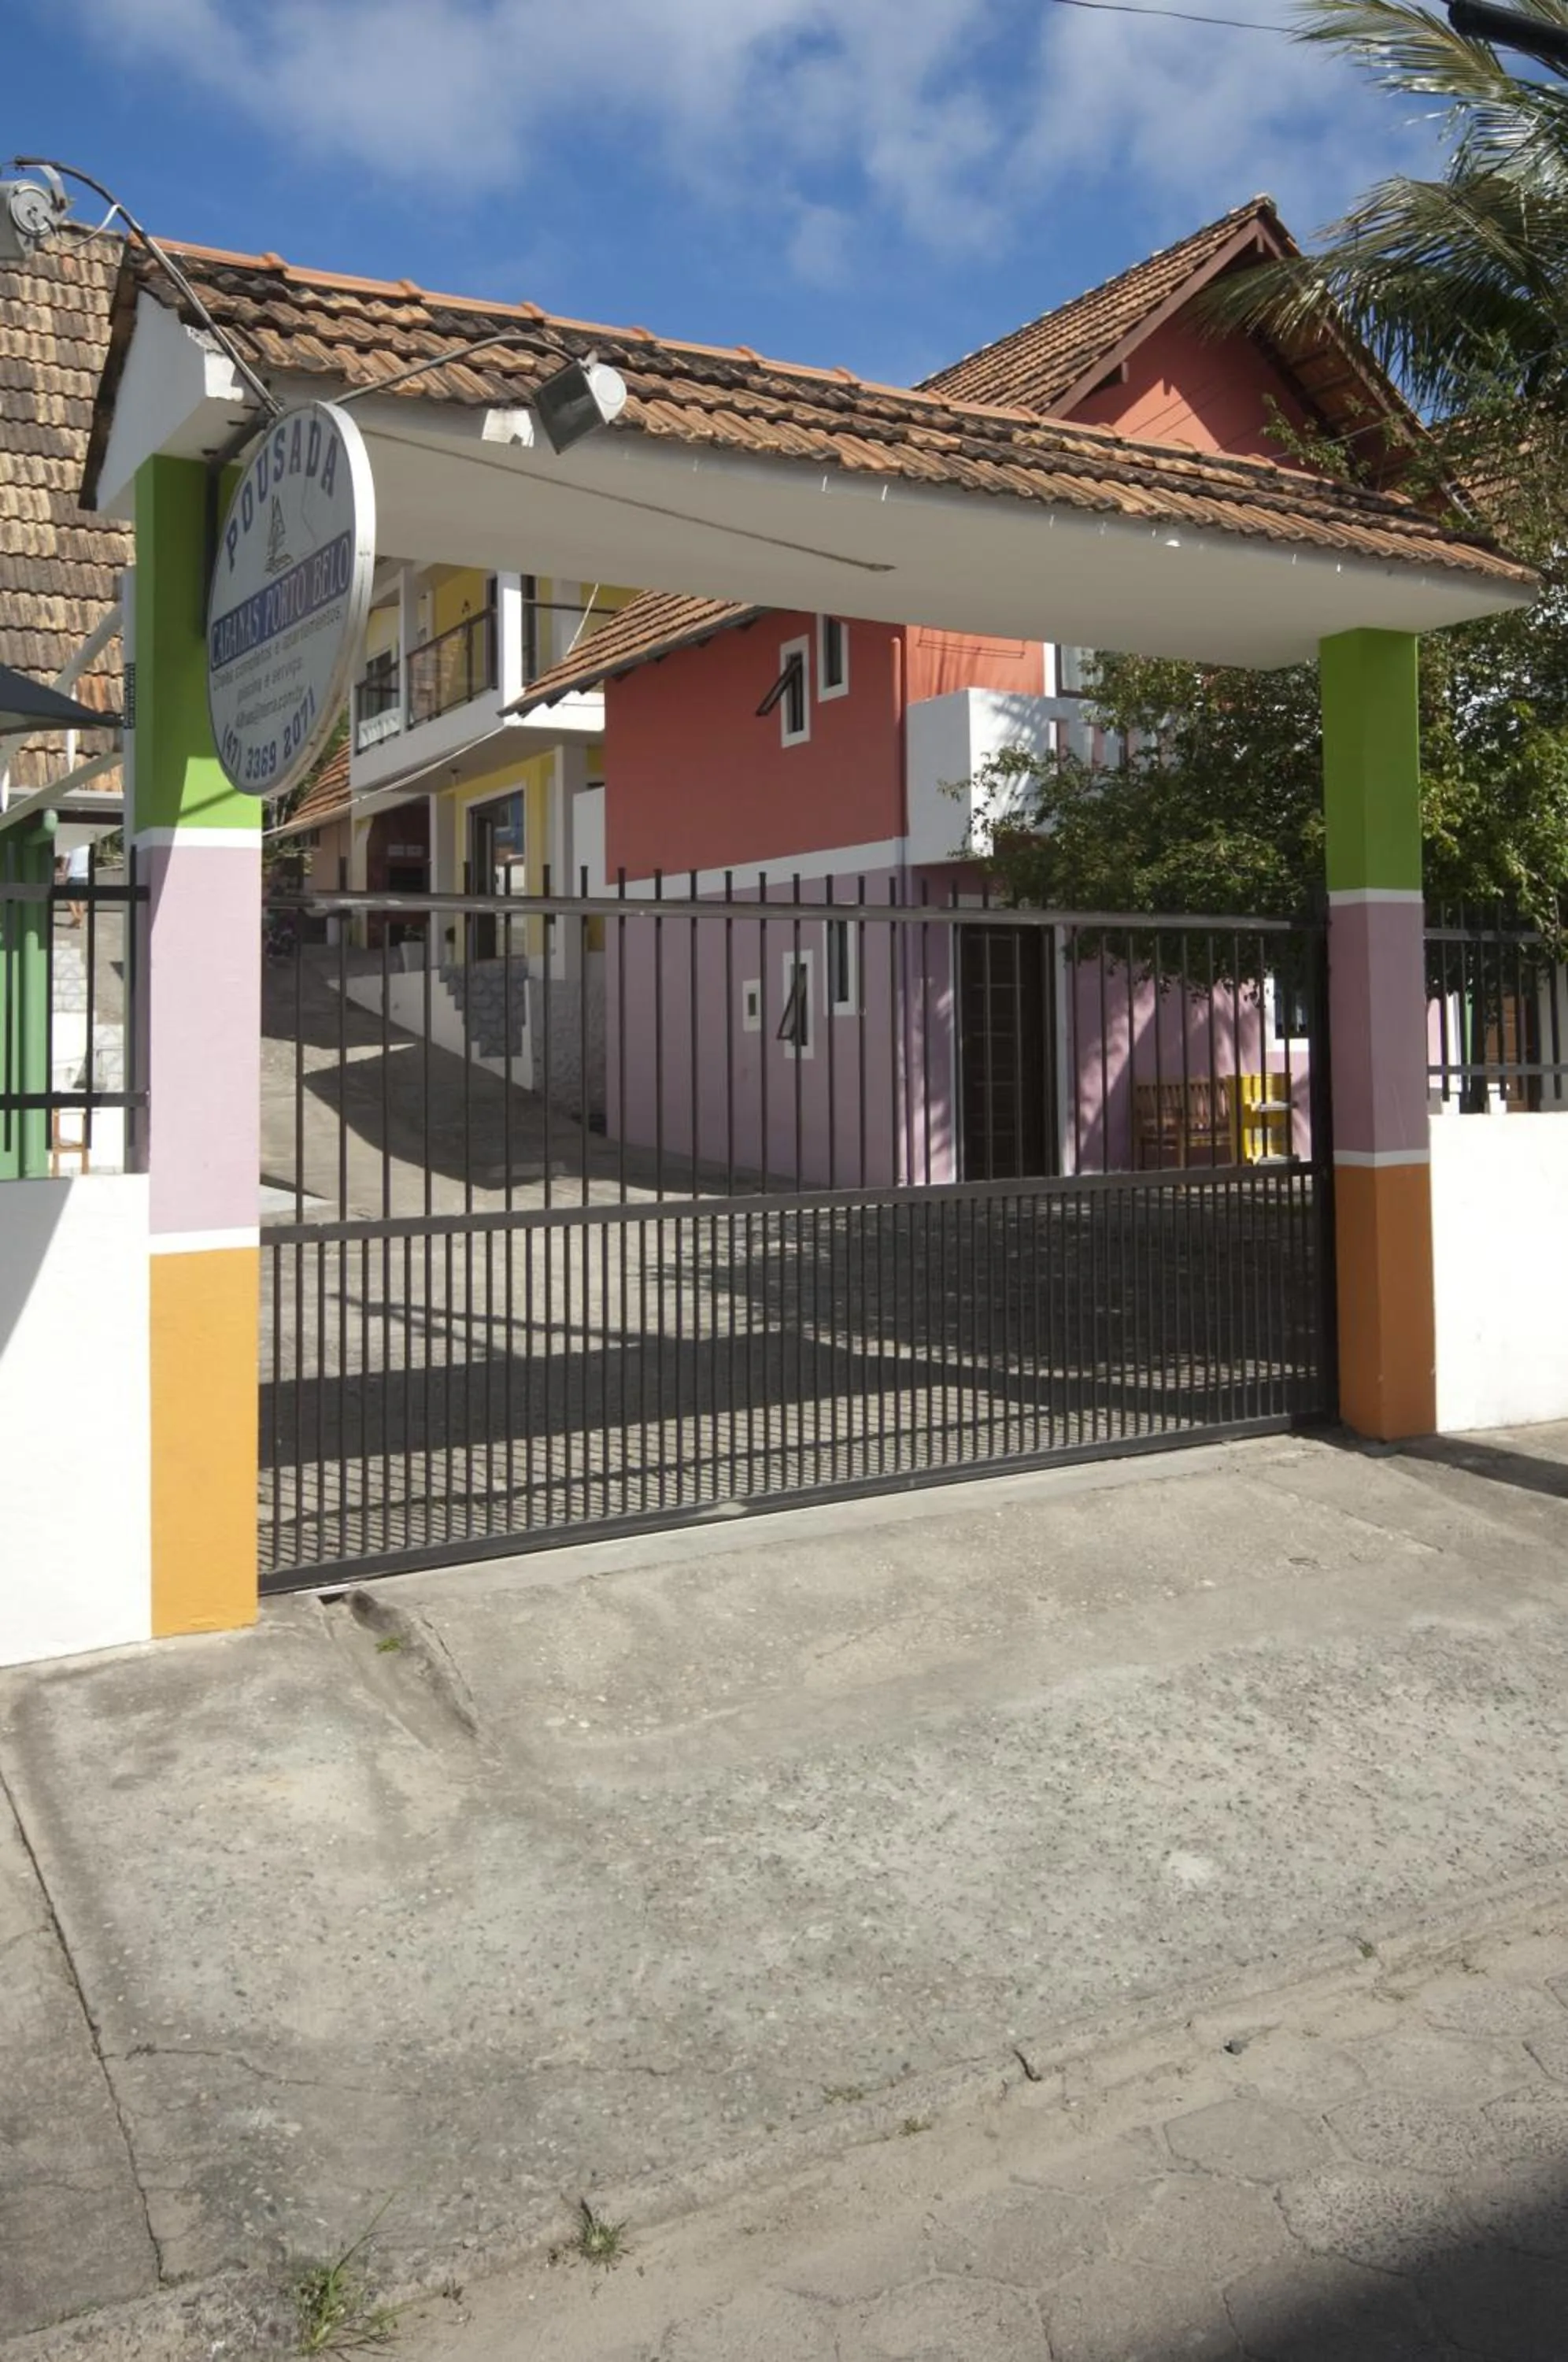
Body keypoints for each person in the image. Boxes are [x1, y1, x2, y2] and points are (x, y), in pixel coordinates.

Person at [65, 841, 91, 927]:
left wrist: (63, 872)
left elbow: (66, 861)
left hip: (73, 875)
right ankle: (79, 923)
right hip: (84, 876)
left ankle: (76, 916)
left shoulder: (71, 846)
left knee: (68, 898)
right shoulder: (87, 847)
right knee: (81, 899)